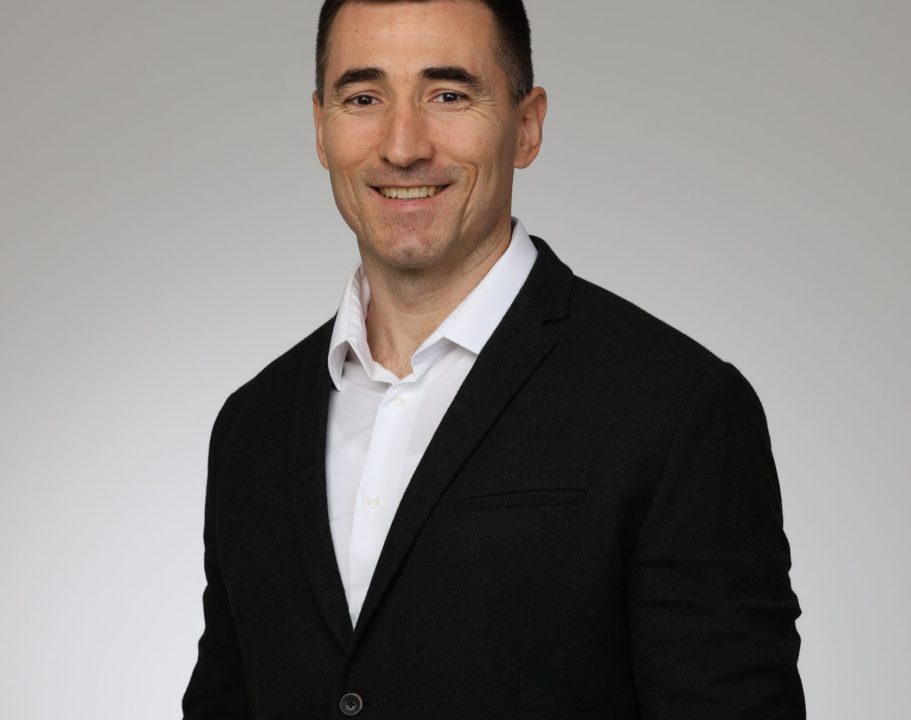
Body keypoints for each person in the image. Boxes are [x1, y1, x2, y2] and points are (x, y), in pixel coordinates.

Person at [181, 0, 805, 717]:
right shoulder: (251, 426)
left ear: (527, 125)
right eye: (364, 98)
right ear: (321, 127)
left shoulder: (675, 408)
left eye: (448, 95)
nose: (402, 146)